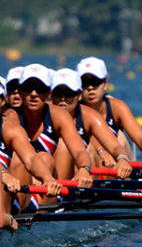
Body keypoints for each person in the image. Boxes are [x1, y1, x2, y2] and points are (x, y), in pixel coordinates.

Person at [5, 64, 93, 206]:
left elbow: (79, 151)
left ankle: (55, 204)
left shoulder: (58, 115)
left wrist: (84, 169)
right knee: (20, 158)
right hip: (19, 186)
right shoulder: (10, 118)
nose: (34, 93)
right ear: (20, 92)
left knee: (48, 156)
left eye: (40, 89)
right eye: (28, 88)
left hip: (49, 190)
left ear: (48, 93)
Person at [77, 57, 142, 169]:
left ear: (105, 84)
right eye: (85, 83)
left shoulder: (117, 107)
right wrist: (101, 150)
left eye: (95, 82)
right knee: (89, 148)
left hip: (116, 164)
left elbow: (140, 138)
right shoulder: (74, 110)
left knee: (121, 139)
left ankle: (126, 178)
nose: (90, 88)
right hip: (89, 167)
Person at [0, 78, 62, 230]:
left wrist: (47, 178)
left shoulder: (10, 129)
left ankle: (11, 219)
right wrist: (3, 172)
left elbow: (31, 159)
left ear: (2, 102)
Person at [50, 68, 133, 180]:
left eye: (69, 93)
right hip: (48, 174)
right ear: (51, 94)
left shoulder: (90, 115)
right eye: (58, 93)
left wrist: (122, 159)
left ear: (78, 95)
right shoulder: (37, 114)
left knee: (118, 140)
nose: (63, 98)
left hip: (80, 174)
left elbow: (116, 146)